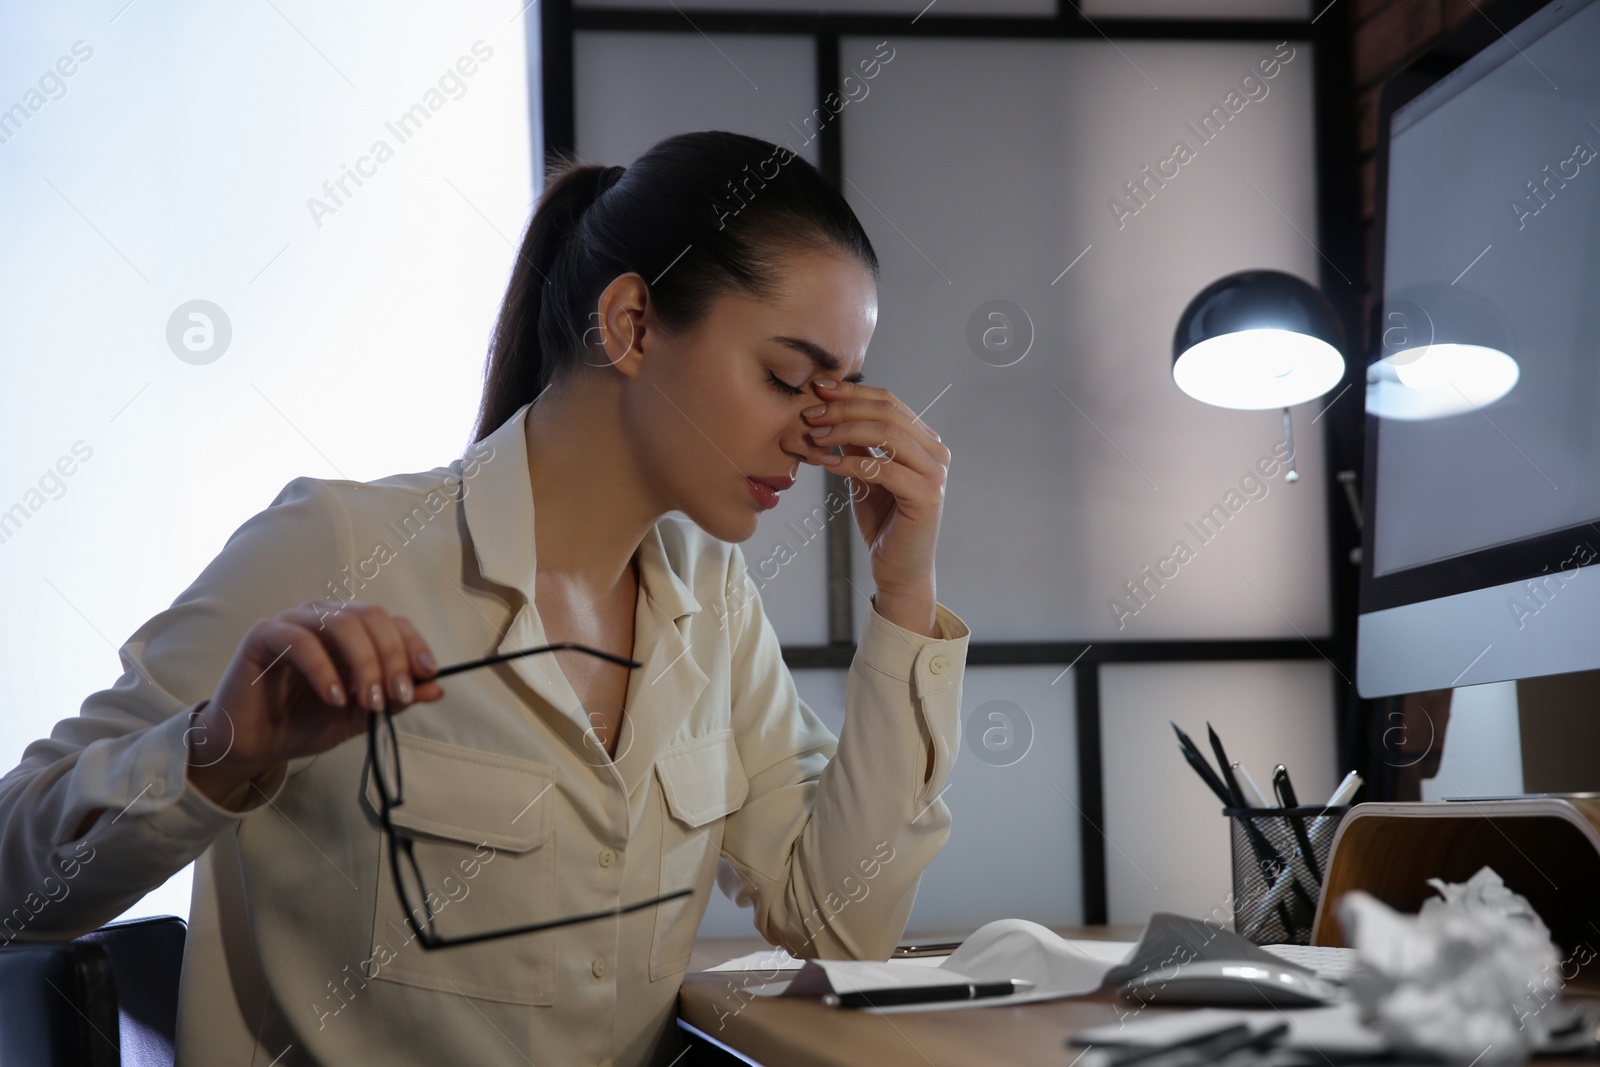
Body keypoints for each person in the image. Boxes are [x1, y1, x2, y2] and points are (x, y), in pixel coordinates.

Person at [0, 129, 969, 1066]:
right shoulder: (335, 546)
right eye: (789, 376)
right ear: (631, 325)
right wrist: (219, 751)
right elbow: (14, 879)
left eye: (839, 391)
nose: (817, 433)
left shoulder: (711, 600)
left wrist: (903, 588)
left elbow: (839, 920)